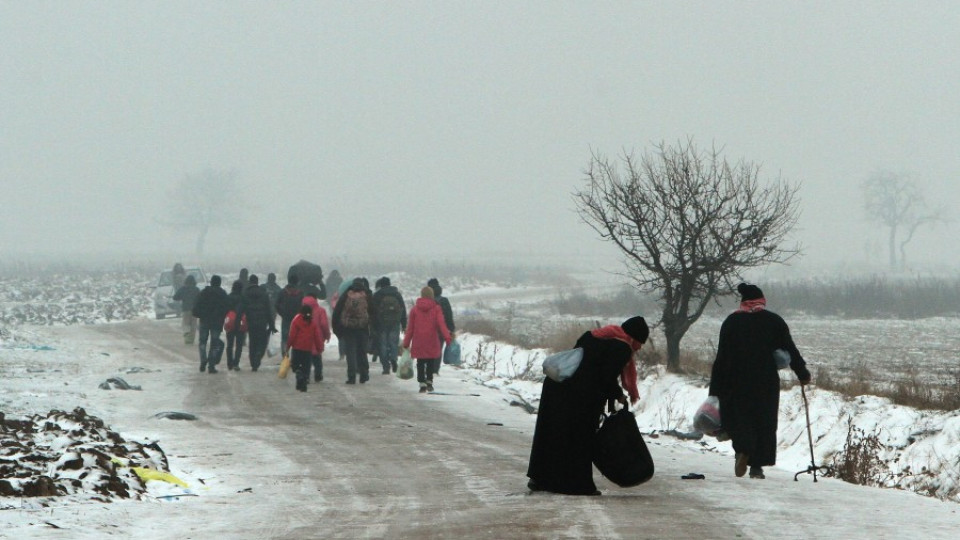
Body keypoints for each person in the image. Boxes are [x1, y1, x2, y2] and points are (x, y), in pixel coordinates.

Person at [526, 316, 649, 496]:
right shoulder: (622, 348)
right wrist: (618, 395)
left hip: (558, 386)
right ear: (635, 337)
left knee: (552, 435)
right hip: (579, 396)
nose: (638, 348)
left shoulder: (595, 335)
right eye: (640, 343)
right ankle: (577, 485)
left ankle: (541, 479)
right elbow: (605, 377)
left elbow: (590, 364)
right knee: (580, 439)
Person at [709, 283, 811, 480]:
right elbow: (790, 349)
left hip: (735, 380)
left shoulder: (731, 322)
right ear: (762, 301)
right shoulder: (774, 321)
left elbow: (721, 357)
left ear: (743, 302)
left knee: (741, 418)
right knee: (763, 420)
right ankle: (757, 466)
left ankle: (742, 450)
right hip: (765, 380)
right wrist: (802, 373)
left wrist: (715, 390)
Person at [402, 286, 451, 393]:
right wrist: (447, 337)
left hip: (419, 340)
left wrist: (406, 342)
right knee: (430, 361)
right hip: (431, 339)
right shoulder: (436, 309)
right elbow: (441, 324)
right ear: (432, 295)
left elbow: (410, 328)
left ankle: (421, 383)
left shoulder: (414, 310)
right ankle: (429, 381)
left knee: (420, 362)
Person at [331, 277, 375, 384]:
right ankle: (364, 375)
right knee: (362, 352)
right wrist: (373, 328)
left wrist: (337, 329)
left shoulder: (346, 295)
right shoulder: (367, 295)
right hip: (362, 328)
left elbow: (337, 312)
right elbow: (373, 312)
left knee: (350, 353)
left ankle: (351, 377)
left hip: (348, 329)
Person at [240, 274, 277, 372]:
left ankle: (253, 363)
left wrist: (237, 322)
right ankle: (259, 355)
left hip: (250, 321)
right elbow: (268, 310)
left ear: (250, 282)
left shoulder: (245, 293)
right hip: (262, 321)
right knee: (261, 341)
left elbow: (241, 309)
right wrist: (272, 325)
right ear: (257, 282)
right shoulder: (263, 293)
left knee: (252, 341)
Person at [192, 275, 228, 373]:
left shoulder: (203, 293)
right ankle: (211, 365)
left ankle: (203, 359)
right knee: (214, 343)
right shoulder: (222, 294)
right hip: (217, 322)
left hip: (204, 320)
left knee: (202, 342)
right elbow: (227, 307)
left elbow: (196, 306)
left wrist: (199, 314)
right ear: (219, 283)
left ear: (211, 282)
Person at [286, 305, 325, 392]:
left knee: (295, 366)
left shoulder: (296, 321)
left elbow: (292, 336)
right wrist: (319, 348)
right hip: (307, 349)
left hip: (296, 348)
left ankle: (299, 375)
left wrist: (288, 346)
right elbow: (317, 337)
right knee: (306, 367)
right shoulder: (312, 323)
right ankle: (304, 381)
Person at [372, 276, 407, 374]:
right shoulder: (397, 294)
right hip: (395, 323)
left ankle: (386, 367)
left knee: (383, 344)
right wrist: (404, 324)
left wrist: (373, 325)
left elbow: (373, 312)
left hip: (381, 323)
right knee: (393, 343)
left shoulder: (377, 295)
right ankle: (394, 359)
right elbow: (402, 309)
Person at [427, 278, 455, 375]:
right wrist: (451, 329)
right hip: (441, 329)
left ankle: (429, 367)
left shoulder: (426, 300)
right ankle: (435, 370)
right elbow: (449, 315)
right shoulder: (444, 301)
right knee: (438, 348)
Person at [301, 292, 331, 382]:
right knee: (317, 357)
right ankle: (318, 375)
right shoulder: (320, 311)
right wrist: (327, 335)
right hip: (317, 337)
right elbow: (324, 324)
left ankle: (305, 376)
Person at [276, 274, 305, 354]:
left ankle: (285, 356)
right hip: (297, 319)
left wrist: (282, 313)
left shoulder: (282, 292)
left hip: (286, 318)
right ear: (297, 282)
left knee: (285, 338)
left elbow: (277, 305)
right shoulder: (300, 293)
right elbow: (304, 305)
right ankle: (295, 356)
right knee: (297, 337)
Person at [225, 280, 246, 371]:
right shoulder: (243, 298)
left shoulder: (228, 297)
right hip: (240, 322)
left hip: (230, 322)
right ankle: (236, 363)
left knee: (230, 344)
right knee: (239, 344)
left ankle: (229, 363)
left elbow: (225, 309)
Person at [172, 274, 200, 344]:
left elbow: (175, 297)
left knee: (186, 323)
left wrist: (182, 297)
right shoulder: (196, 289)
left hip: (186, 309)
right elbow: (200, 299)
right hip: (195, 310)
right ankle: (191, 339)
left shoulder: (183, 289)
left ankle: (187, 337)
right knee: (193, 325)